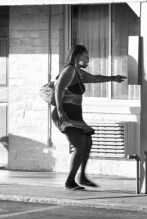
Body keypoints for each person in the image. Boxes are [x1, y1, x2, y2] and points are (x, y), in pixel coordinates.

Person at [53, 43, 126, 191]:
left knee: (88, 142)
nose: (88, 59)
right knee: (80, 145)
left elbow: (96, 78)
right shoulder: (69, 70)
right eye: (86, 56)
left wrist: (113, 78)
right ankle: (70, 182)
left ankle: (82, 177)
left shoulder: (78, 72)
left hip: (75, 115)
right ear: (78, 56)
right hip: (65, 114)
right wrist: (60, 110)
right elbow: (58, 88)